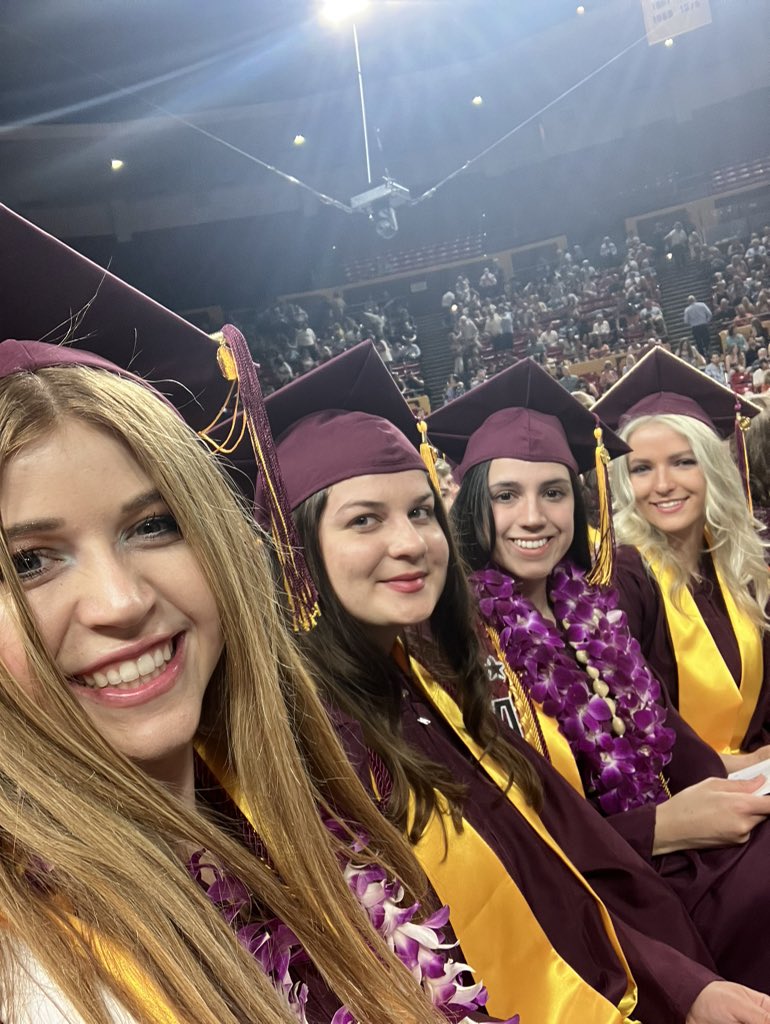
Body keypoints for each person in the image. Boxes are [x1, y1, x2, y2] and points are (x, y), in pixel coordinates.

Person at [0, 205, 495, 1024]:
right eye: (28, 562)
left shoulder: (287, 809)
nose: (122, 603)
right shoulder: (39, 976)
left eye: (153, 525)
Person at [254, 341, 769, 1023]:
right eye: (364, 519)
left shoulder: (522, 642)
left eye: (417, 513)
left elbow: (573, 820)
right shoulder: (424, 668)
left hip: (624, 922)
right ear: (295, 550)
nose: (408, 541)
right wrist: (663, 832)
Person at [430, 356, 770, 992]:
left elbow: (672, 744)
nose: (534, 517)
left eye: (553, 492)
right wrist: (663, 826)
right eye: (506, 495)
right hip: (598, 908)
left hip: (677, 862)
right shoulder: (461, 647)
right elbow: (520, 840)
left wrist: (729, 793)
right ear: (473, 506)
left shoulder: (586, 610)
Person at [594, 348, 770, 756]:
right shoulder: (622, 577)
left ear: (712, 469)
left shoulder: (736, 560)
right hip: (683, 795)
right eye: (641, 469)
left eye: (682, 462)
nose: (663, 485)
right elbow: (628, 722)